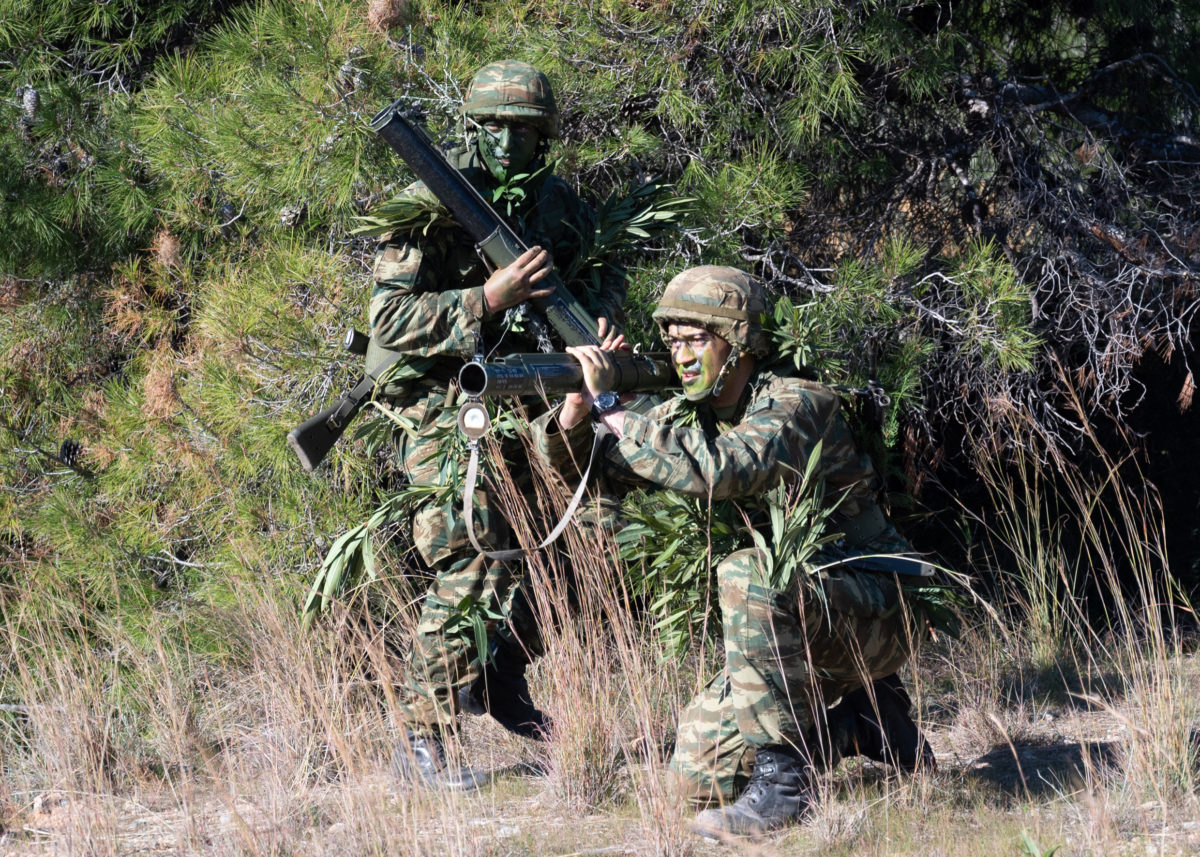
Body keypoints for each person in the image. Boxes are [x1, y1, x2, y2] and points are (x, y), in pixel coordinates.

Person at [532, 265, 934, 836]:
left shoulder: (799, 404)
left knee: (748, 573)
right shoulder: (688, 414)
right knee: (692, 783)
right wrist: (577, 410)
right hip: (788, 628)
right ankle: (859, 724)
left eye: (696, 339)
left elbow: (723, 467)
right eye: (672, 341)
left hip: (878, 606)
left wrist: (617, 407)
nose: (681, 356)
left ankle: (785, 786)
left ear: (739, 341)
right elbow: (593, 476)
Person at [367, 59, 626, 787]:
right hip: (447, 410)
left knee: (587, 547)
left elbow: (596, 291)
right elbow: (388, 320)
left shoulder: (563, 209)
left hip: (541, 405)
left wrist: (601, 329)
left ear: (545, 136)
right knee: (470, 554)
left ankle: (503, 679)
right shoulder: (432, 205)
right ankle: (422, 736)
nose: (506, 143)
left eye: (522, 129)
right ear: (470, 128)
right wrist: (486, 296)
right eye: (492, 127)